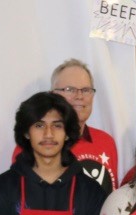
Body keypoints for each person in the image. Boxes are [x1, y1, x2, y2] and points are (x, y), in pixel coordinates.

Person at [49, 58, 119, 192]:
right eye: (70, 90)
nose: (79, 96)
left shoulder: (106, 142)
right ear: (53, 96)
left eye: (86, 90)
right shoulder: (35, 145)